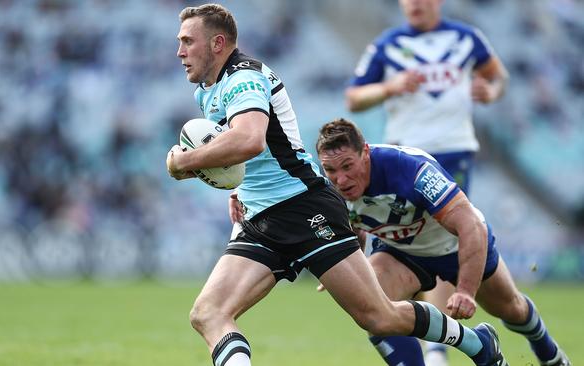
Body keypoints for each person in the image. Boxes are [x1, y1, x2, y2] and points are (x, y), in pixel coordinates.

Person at [166, 4, 509, 366]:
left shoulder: (243, 79)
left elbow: (250, 139)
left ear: (218, 43)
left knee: (379, 316)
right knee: (208, 314)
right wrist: (238, 187)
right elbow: (254, 150)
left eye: (188, 41)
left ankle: (476, 343)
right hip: (261, 218)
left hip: (304, 207)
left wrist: (183, 162)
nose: (180, 51)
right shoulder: (209, 89)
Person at [315, 118, 571, 366]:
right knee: (373, 307)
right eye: (331, 170)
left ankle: (548, 351)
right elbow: (353, 224)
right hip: (400, 250)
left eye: (347, 166)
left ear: (366, 153)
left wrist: (466, 291)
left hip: (456, 245)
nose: (341, 179)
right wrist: (350, 259)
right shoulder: (325, 187)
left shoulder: (410, 169)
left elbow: (470, 226)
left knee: (511, 308)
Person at [344, 0, 509, 363]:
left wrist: (491, 92)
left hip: (453, 152)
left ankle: (437, 349)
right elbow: (354, 98)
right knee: (400, 256)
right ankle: (443, 342)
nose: (414, 4)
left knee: (444, 240)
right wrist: (391, 87)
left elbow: (498, 76)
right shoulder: (388, 45)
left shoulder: (465, 38)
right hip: (404, 159)